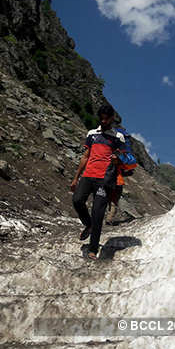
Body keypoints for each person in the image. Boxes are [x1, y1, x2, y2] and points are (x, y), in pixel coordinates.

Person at [70, 105, 125, 260]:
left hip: (105, 179)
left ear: (112, 118)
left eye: (106, 118)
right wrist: (76, 177)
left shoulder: (118, 137)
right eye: (101, 118)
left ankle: (93, 249)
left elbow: (125, 158)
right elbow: (85, 156)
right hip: (88, 175)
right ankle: (89, 224)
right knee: (77, 200)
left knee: (98, 213)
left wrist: (117, 159)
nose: (103, 121)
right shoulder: (92, 134)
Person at [106, 126, 138, 225]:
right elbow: (129, 168)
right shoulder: (122, 157)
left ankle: (103, 218)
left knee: (106, 199)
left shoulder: (110, 154)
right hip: (118, 182)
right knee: (113, 202)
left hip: (106, 180)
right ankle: (109, 219)